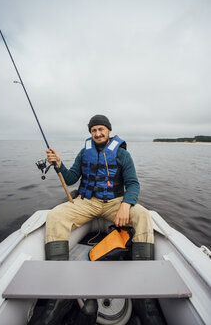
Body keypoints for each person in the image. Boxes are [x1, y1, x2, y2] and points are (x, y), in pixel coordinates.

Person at [29, 114, 154, 325]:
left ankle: (144, 293)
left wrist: (125, 204)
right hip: (88, 202)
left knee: (142, 214)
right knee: (55, 215)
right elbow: (70, 179)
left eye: (101, 129)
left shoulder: (122, 154)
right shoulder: (83, 153)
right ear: (90, 133)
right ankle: (59, 287)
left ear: (108, 131)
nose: (97, 133)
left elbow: (133, 184)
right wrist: (59, 164)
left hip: (115, 202)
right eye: (93, 130)